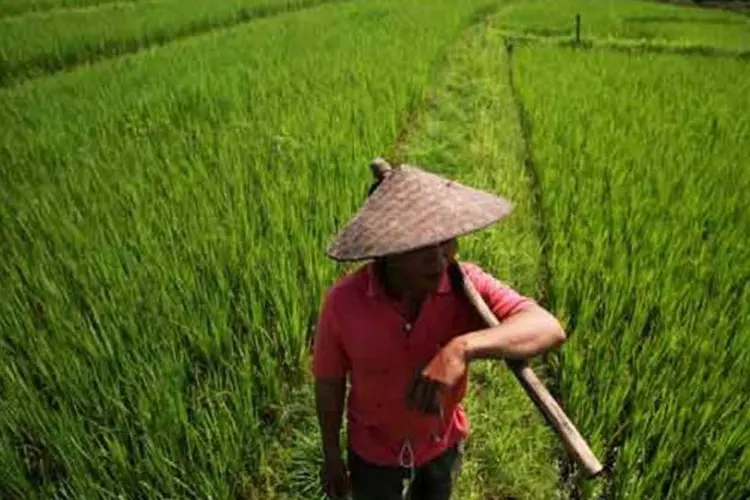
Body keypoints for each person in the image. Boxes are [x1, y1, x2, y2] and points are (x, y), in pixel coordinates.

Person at [312, 158, 567, 500]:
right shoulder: (343, 303)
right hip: (371, 451)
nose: (438, 259)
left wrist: (461, 348)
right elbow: (329, 383)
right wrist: (331, 455)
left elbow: (546, 326)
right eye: (421, 246)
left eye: (445, 240)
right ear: (386, 251)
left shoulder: (465, 286)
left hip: (441, 444)